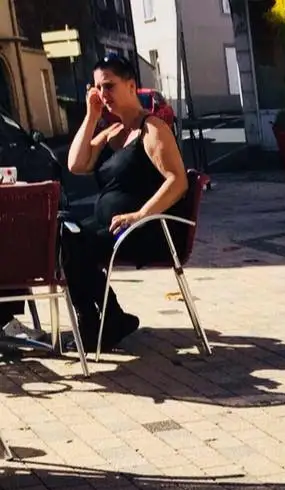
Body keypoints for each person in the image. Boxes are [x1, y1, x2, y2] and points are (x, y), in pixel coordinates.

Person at [63, 55, 189, 352]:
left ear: (131, 86)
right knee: (62, 232)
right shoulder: (113, 132)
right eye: (97, 88)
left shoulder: (152, 128)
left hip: (145, 230)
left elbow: (178, 180)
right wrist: (92, 116)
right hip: (112, 229)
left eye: (109, 86)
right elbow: (76, 164)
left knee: (72, 245)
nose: (103, 95)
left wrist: (139, 215)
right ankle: (105, 319)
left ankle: (103, 321)